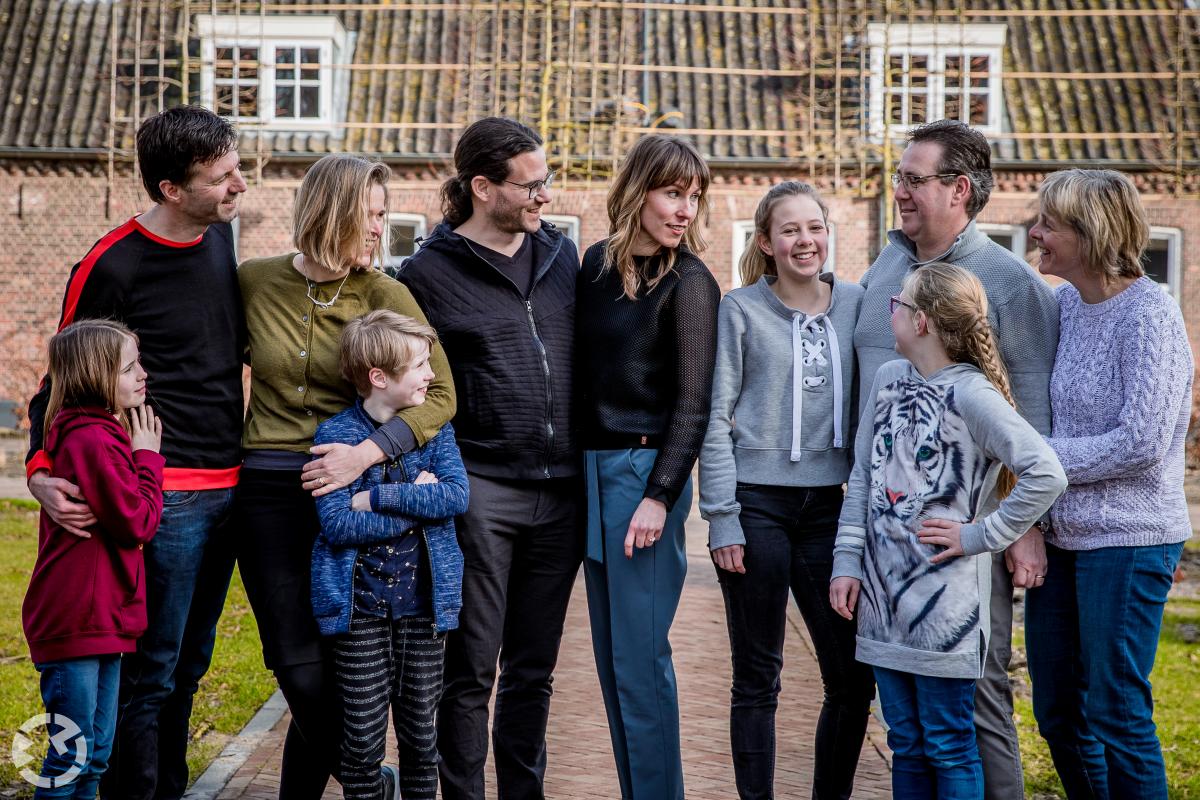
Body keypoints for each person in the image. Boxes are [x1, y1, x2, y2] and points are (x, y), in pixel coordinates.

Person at [24, 105, 246, 800]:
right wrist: (37, 472)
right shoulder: (110, 263)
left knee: (191, 666)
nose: (241, 186)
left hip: (230, 484)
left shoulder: (220, 238)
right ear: (171, 190)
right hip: (163, 493)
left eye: (238, 168)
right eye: (223, 177)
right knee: (152, 671)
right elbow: (57, 381)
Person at [852, 119, 1060, 799]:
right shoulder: (886, 268)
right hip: (887, 542)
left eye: (914, 179)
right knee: (907, 727)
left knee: (980, 699)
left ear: (958, 190)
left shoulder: (1007, 283)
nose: (900, 191)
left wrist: (1017, 530)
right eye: (900, 177)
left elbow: (1030, 407)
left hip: (964, 542)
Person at [236, 154, 455, 799]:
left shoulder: (386, 294)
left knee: (335, 666)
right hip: (270, 489)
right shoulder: (253, 281)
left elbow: (441, 395)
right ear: (332, 212)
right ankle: (367, 780)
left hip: (353, 490)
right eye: (375, 215)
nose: (383, 231)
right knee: (295, 666)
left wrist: (370, 452)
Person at [396, 117, 582, 800]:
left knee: (535, 669)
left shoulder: (563, 257)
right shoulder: (427, 274)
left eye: (546, 182)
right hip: (481, 491)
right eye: (531, 186)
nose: (544, 196)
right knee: (471, 666)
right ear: (482, 187)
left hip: (562, 495)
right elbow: (416, 384)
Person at [698, 181, 873, 800]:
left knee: (852, 679)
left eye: (815, 228)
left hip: (830, 507)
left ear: (829, 234)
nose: (805, 241)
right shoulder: (740, 310)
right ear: (767, 244)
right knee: (758, 676)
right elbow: (715, 416)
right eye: (790, 230)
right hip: (755, 505)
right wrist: (721, 517)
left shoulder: (858, 302)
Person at [1024, 169, 1193, 800]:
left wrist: (1037, 456)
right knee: (1058, 715)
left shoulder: (1150, 315)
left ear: (1090, 233)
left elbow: (1142, 443)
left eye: (1048, 223)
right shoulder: (1067, 305)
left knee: (1116, 712)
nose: (1034, 232)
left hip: (1130, 541)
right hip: (1065, 540)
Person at [576, 133, 720, 800]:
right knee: (612, 666)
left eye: (694, 196)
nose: (685, 208)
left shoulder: (691, 283)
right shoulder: (593, 270)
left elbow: (693, 403)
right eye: (673, 192)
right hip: (588, 476)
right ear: (638, 190)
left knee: (641, 664)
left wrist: (661, 495)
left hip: (643, 482)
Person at [310, 310, 468, 800]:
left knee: (422, 742)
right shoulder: (335, 438)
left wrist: (376, 497)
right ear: (380, 378)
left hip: (424, 611)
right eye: (420, 365)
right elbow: (337, 524)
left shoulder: (434, 431)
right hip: (359, 616)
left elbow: (455, 496)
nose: (431, 375)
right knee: (361, 745)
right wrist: (417, 502)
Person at [22, 320, 164, 799]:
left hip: (103, 617)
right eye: (130, 368)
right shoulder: (92, 440)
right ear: (96, 377)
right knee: (71, 755)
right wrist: (148, 459)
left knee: (95, 754)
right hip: (76, 618)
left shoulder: (102, 432)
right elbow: (137, 522)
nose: (143, 375)